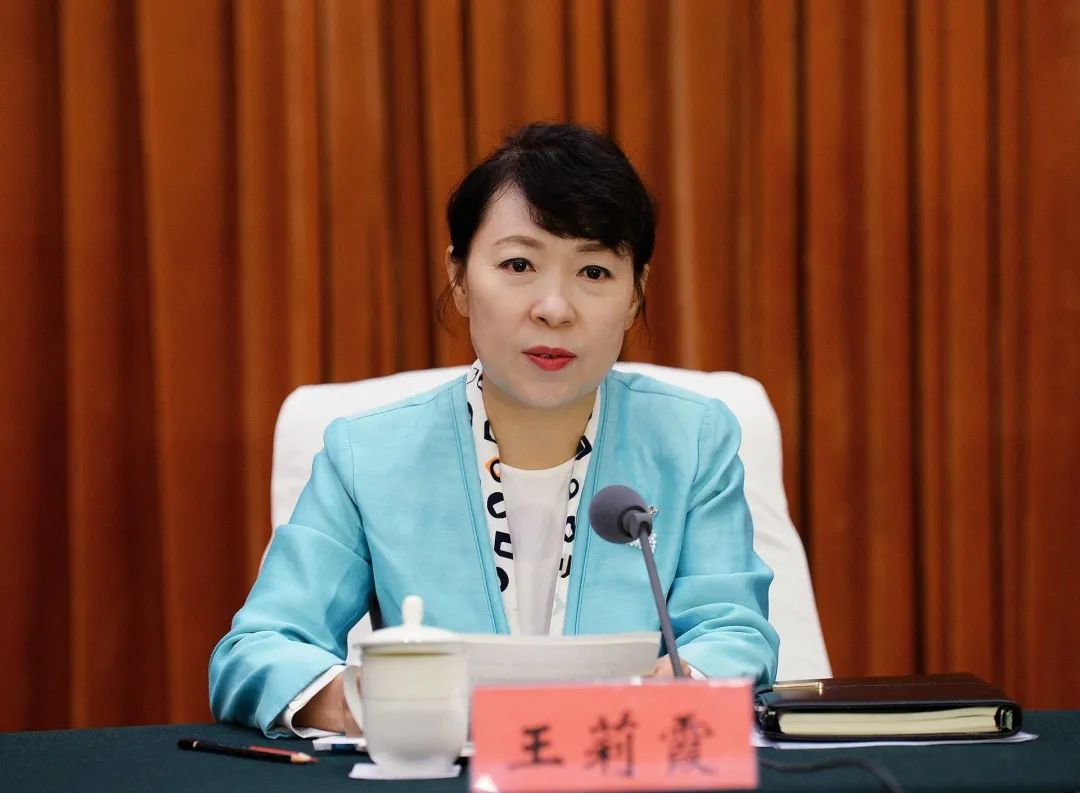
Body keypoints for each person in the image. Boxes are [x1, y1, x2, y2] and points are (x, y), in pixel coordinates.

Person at [210, 122, 779, 737]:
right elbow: (258, 649)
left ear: (636, 295)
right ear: (458, 278)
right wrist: (361, 703)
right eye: (518, 264)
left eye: (594, 272)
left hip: (625, 760)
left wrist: (687, 680)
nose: (554, 308)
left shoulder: (693, 441)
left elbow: (735, 633)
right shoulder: (367, 457)